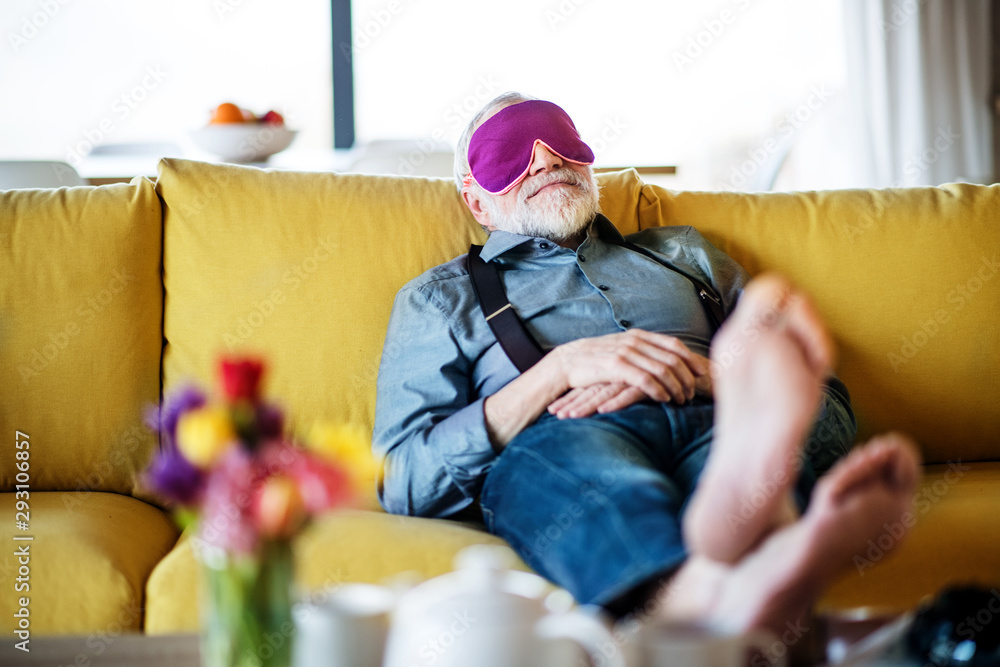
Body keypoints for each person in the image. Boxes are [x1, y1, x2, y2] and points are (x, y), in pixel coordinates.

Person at [372, 92, 920, 640]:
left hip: (724, 423)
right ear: (477, 203)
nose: (544, 160)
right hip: (568, 439)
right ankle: (745, 562)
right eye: (509, 153)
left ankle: (728, 545)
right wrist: (558, 371)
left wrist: (719, 378)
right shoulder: (441, 299)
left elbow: (815, 393)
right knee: (562, 459)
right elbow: (402, 482)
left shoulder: (685, 254)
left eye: (557, 138)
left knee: (779, 427)